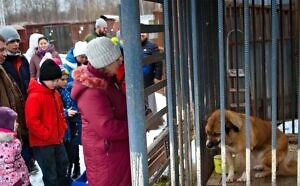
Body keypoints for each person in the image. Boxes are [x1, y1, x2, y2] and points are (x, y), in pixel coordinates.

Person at [71, 37, 131, 186]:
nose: (121, 61)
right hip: (107, 156)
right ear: (106, 62)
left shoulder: (108, 80)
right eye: (117, 59)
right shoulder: (92, 91)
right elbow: (107, 128)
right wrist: (136, 128)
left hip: (115, 152)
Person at [25, 59, 70, 186]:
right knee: (51, 174)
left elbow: (61, 112)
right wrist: (47, 134)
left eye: (57, 80)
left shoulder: (55, 93)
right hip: (43, 144)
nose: (56, 83)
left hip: (57, 139)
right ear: (44, 78)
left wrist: (63, 127)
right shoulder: (34, 97)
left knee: (62, 166)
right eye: (53, 81)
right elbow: (32, 122)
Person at [0, 26, 37, 174]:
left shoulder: (23, 60)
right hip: (6, 123)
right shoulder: (4, 64)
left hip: (22, 107)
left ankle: (28, 163)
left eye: (17, 41)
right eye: (12, 41)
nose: (16, 44)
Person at [63, 41, 88, 179]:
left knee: (82, 140)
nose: (84, 59)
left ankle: (81, 168)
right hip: (72, 108)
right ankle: (75, 167)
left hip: (81, 109)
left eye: (86, 56)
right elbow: (64, 84)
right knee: (74, 143)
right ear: (76, 55)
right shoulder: (67, 66)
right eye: (81, 57)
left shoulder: (86, 64)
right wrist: (78, 81)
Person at [57, 66, 82, 179]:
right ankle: (68, 174)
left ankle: (75, 169)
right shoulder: (56, 92)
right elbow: (56, 109)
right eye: (62, 79)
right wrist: (66, 112)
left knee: (73, 151)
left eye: (66, 79)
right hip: (64, 128)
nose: (65, 82)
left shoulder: (66, 89)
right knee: (67, 154)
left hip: (72, 125)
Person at [0, 107, 30, 186]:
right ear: (6, 124)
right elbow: (6, 169)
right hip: (16, 182)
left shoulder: (11, 141)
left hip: (22, 178)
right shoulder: (5, 146)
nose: (17, 123)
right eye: (14, 121)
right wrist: (16, 183)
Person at [140, 33, 163, 114]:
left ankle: (153, 121)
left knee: (150, 101)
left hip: (148, 80)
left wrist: (157, 76)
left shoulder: (152, 46)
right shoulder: (133, 46)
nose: (141, 35)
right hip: (137, 81)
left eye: (143, 33)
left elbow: (158, 62)